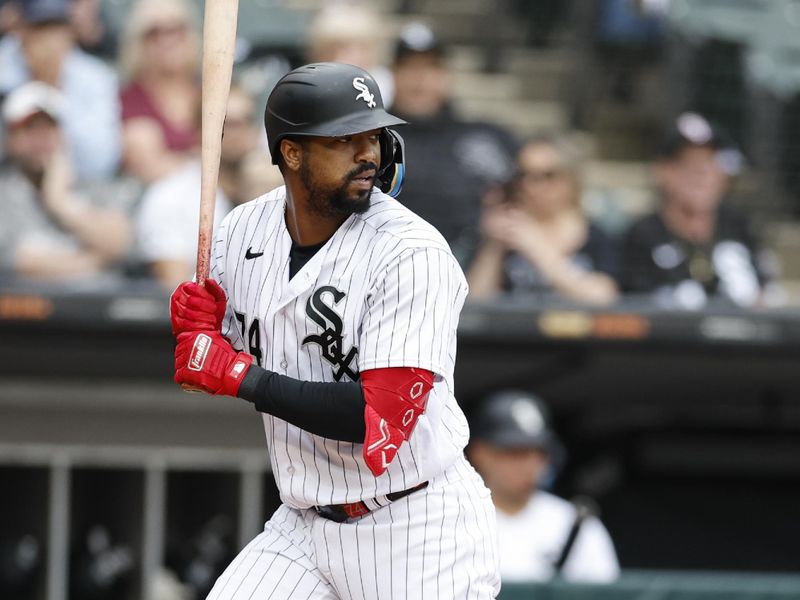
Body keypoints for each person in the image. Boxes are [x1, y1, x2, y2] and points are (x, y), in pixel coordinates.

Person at [169, 62, 500, 599]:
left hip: (416, 527)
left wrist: (236, 375)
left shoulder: (411, 253)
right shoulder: (241, 231)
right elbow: (217, 353)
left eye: (373, 136)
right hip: (303, 524)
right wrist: (199, 331)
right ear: (292, 152)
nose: (367, 153)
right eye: (345, 139)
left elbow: (380, 418)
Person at [389, 22, 518, 267]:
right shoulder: (368, 140)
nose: (420, 79)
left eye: (430, 68)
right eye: (409, 68)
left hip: (475, 276)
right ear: (393, 74)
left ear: (446, 75)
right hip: (389, 272)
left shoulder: (486, 139)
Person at [619, 112, 778, 309]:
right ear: (662, 171)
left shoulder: (739, 226)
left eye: (711, 163)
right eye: (687, 163)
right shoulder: (641, 235)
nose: (701, 173)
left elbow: (767, 295)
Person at [135, 84, 281, 290]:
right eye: (226, 124)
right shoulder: (169, 196)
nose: (237, 133)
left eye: (244, 122)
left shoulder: (277, 190)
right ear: (198, 131)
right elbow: (177, 288)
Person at [467, 390, 620, 584]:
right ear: (479, 452)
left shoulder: (572, 520)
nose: (530, 465)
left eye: (538, 453)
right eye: (516, 452)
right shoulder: (453, 519)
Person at [0, 81, 132, 281]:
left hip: (97, 307)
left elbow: (118, 244)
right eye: (30, 130)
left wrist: (59, 202)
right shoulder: (5, 196)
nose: (41, 140)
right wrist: (98, 261)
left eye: (49, 129)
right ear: (10, 138)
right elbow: (20, 262)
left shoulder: (93, 184)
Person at [467, 135, 619, 304]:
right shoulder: (506, 232)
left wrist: (536, 248)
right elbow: (474, 304)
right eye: (522, 175)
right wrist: (492, 247)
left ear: (571, 179)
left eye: (547, 176)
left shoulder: (597, 236)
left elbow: (603, 298)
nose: (530, 185)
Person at [0, 0, 121, 180]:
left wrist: (51, 87)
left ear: (70, 31)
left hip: (79, 183)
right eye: (39, 28)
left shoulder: (96, 76)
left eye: (57, 27)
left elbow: (101, 161)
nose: (49, 39)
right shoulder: (4, 66)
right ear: (21, 30)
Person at [118, 0, 200, 183]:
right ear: (137, 42)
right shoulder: (129, 99)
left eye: (176, 29)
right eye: (153, 32)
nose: (167, 40)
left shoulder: (208, 92)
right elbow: (150, 167)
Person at [306, 2, 394, 106]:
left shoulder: (383, 86)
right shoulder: (307, 88)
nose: (349, 56)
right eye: (337, 47)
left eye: (361, 47)